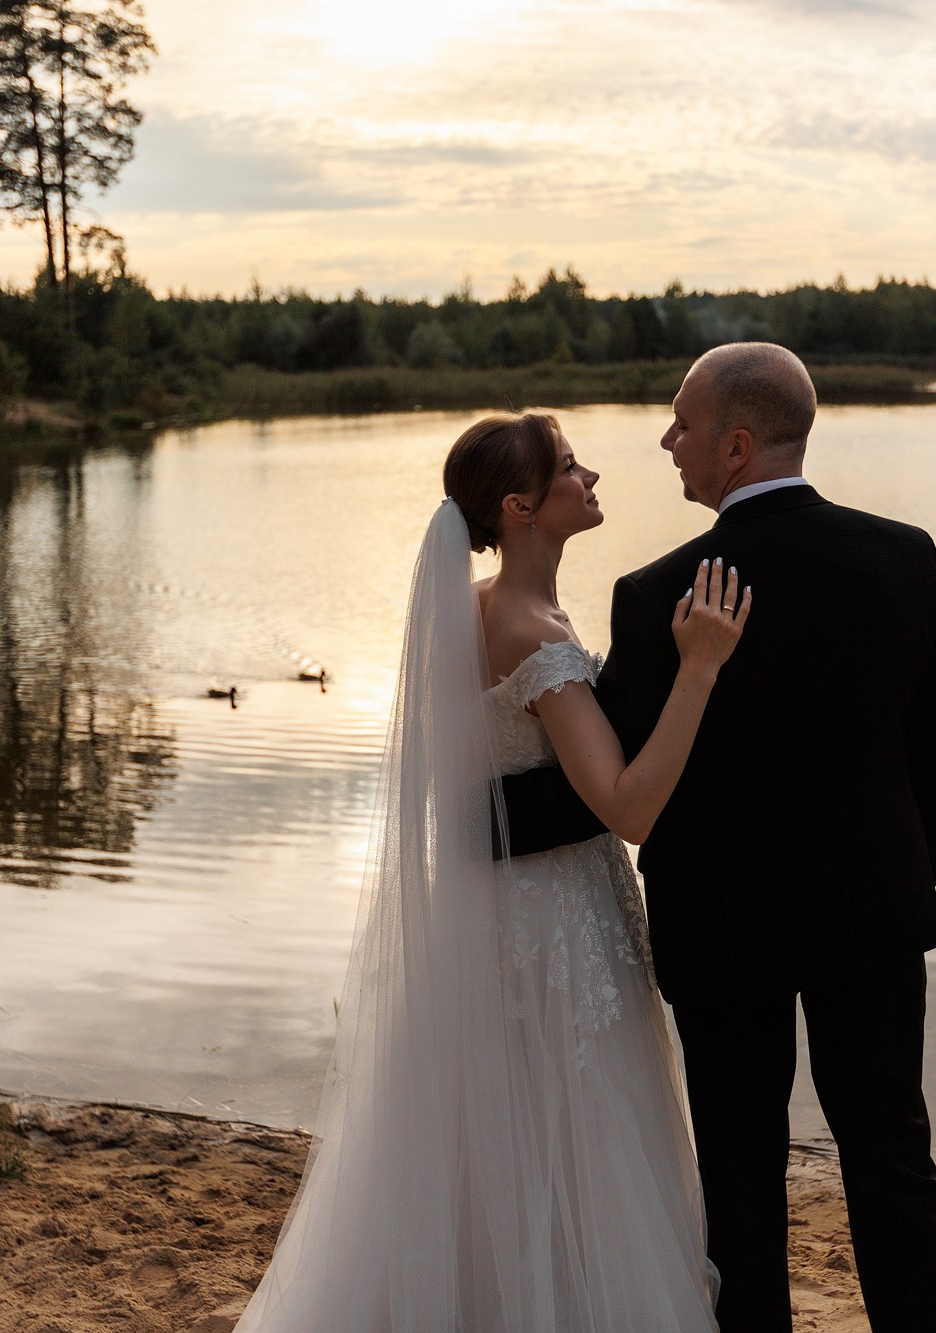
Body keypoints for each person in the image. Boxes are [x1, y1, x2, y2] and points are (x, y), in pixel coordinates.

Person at [233, 411, 749, 1332]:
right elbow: (627, 806)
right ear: (518, 505)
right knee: (575, 1135)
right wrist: (700, 670)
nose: (590, 476)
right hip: (554, 922)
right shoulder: (528, 627)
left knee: (491, 1139)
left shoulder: (472, 605)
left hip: (487, 910)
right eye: (565, 468)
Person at [498, 342, 936, 1332]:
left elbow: (606, 787)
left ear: (737, 444)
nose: (667, 442)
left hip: (720, 931)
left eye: (682, 425)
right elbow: (931, 746)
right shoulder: (901, 554)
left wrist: (477, 821)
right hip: (870, 920)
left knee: (739, 1177)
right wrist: (892, 885)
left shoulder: (656, 590)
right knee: (890, 1158)